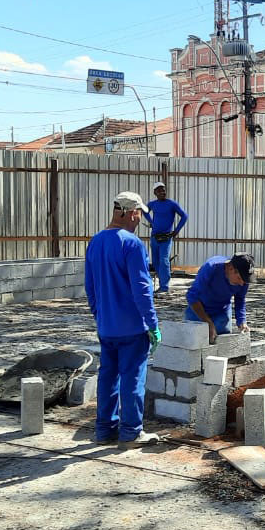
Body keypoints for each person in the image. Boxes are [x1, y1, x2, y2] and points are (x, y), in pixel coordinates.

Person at [84, 190, 161, 447]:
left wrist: (101, 316)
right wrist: (152, 324)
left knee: (108, 378)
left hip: (107, 328)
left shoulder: (95, 241)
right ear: (130, 212)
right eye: (139, 214)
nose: (140, 219)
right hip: (132, 329)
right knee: (133, 379)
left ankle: (104, 430)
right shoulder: (131, 243)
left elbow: (90, 287)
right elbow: (142, 288)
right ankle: (131, 433)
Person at [185, 253, 253, 343]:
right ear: (231, 269)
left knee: (222, 347)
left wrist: (242, 321)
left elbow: (240, 300)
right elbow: (192, 296)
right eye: (239, 278)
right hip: (198, 311)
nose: (242, 284)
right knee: (192, 345)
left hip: (221, 313)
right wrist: (208, 322)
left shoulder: (244, 279)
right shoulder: (211, 267)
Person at [145, 182, 188, 294]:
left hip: (166, 238)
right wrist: (151, 222)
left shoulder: (172, 204)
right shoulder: (152, 204)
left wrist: (177, 230)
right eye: (159, 190)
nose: (162, 192)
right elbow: (144, 212)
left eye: (163, 190)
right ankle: (161, 283)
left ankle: (164, 287)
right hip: (155, 237)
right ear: (155, 192)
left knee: (164, 261)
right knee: (155, 262)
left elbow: (184, 216)